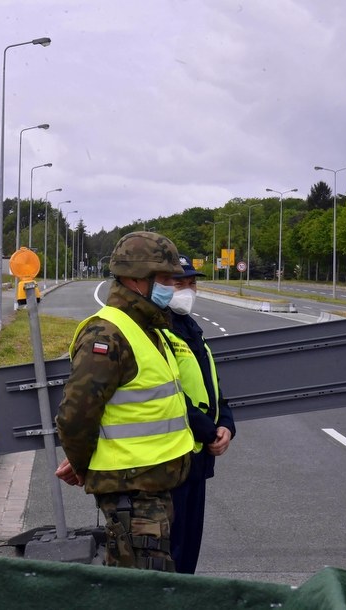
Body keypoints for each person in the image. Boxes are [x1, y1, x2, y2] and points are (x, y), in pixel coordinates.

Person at [54, 231, 195, 572]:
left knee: (146, 582)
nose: (171, 287)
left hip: (152, 486)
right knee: (143, 587)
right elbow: (76, 416)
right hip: (132, 490)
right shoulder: (107, 335)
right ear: (135, 279)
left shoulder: (148, 328)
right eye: (164, 279)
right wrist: (83, 465)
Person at [162, 255, 235, 574]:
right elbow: (167, 394)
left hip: (198, 458)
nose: (188, 290)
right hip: (171, 458)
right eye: (179, 283)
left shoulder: (192, 329)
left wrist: (226, 425)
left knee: (189, 547)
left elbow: (211, 387)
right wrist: (209, 431)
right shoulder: (157, 330)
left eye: (192, 283)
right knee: (171, 548)